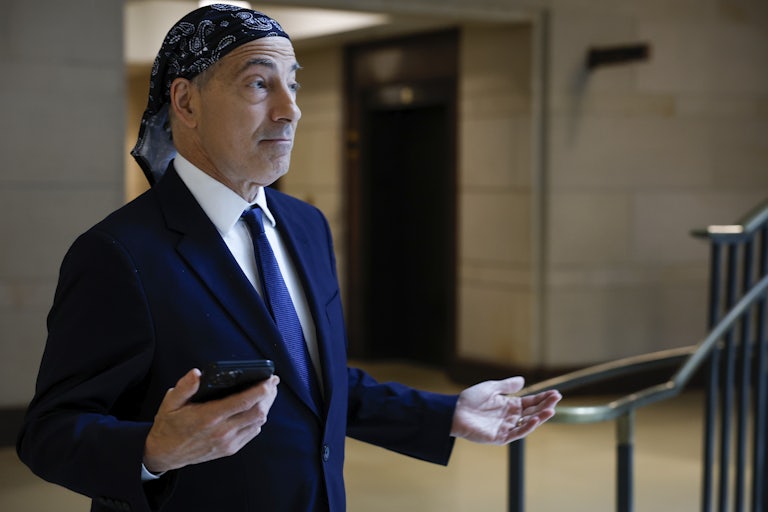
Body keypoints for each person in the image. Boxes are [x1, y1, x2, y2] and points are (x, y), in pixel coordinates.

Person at [16, 5, 562, 512]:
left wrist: (445, 414)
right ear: (186, 103)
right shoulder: (120, 253)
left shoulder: (305, 226)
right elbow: (49, 433)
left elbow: (313, 381)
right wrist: (154, 449)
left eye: (293, 84)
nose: (290, 109)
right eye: (259, 83)